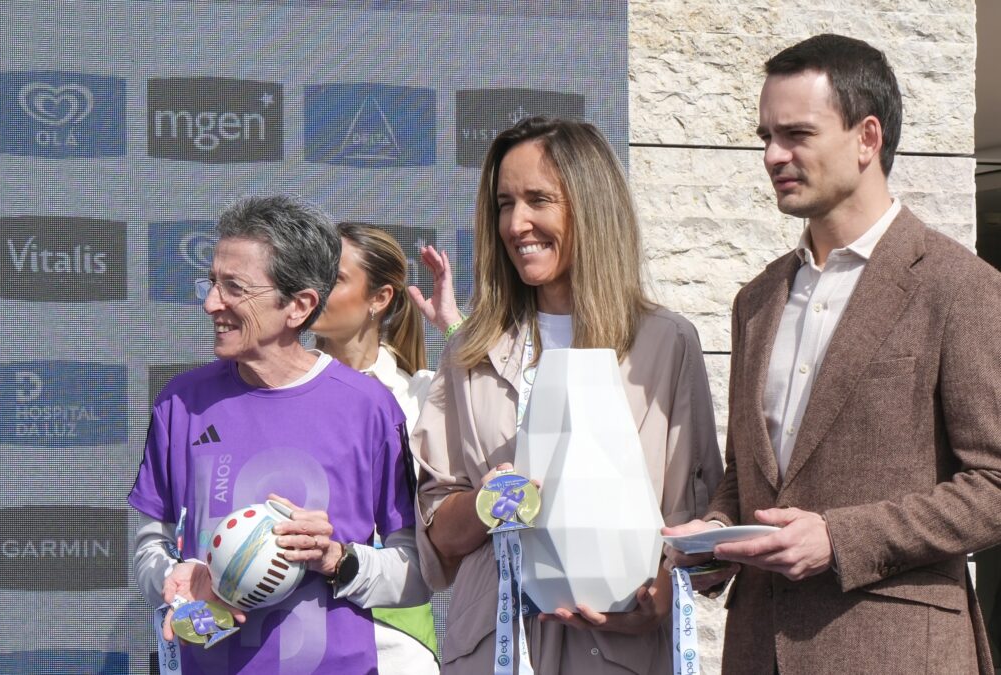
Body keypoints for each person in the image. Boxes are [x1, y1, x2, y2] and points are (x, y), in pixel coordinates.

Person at [662, 34, 1001, 675]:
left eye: (796, 134)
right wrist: (714, 538)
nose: (772, 155)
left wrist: (841, 538)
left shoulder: (960, 288)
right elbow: (751, 475)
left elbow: (995, 484)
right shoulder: (756, 300)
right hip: (757, 649)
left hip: (895, 652)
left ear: (867, 138)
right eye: (765, 135)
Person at [412, 116, 724, 673]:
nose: (517, 223)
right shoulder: (471, 349)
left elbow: (697, 521)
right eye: (505, 204)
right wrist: (490, 503)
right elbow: (436, 528)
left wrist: (657, 594)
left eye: (538, 199)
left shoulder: (667, 344)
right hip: (495, 648)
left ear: (590, 207)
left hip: (618, 649)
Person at [128, 194, 430, 674]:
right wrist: (175, 576)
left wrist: (337, 560)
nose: (211, 304)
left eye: (234, 288)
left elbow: (415, 572)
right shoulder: (180, 402)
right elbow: (150, 545)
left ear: (298, 306)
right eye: (211, 283)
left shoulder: (369, 407)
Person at [310, 221, 450, 673]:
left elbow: (513, 423)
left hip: (397, 639)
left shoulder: (422, 395)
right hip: (294, 629)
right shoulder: (273, 391)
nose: (314, 289)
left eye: (333, 278)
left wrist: (455, 329)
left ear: (380, 298)